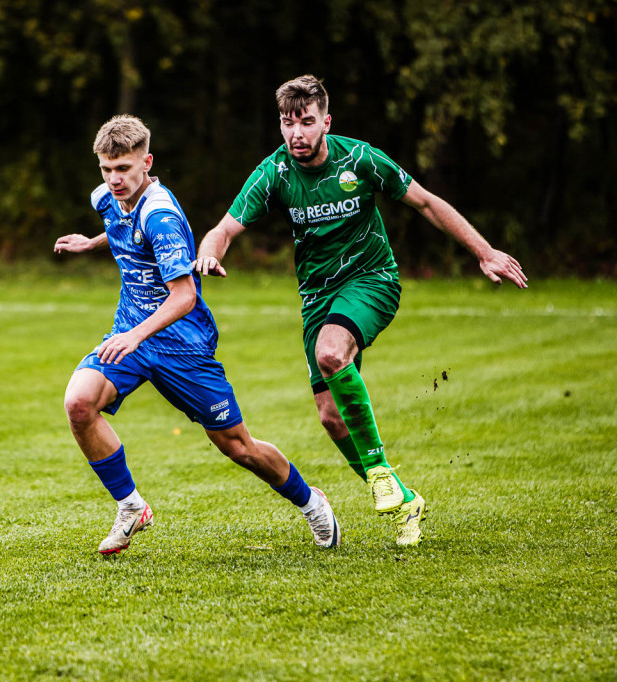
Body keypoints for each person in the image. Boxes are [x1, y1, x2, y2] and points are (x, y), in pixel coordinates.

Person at [194, 75, 527, 546]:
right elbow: (223, 229)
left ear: (326, 122)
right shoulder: (275, 173)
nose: (297, 134)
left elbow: (427, 204)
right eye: (288, 124)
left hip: (372, 281)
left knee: (332, 354)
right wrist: (211, 252)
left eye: (307, 122)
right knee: (331, 417)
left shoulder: (361, 159)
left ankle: (378, 474)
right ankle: (404, 498)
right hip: (317, 299)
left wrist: (484, 251)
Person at [54, 114, 341, 555]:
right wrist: (91, 244)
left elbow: (184, 297)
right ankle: (131, 506)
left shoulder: (162, 216)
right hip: (132, 334)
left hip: (182, 344)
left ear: (146, 162)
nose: (114, 179)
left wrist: (135, 337)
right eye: (107, 170)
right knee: (78, 402)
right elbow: (120, 229)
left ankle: (310, 502)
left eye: (124, 169)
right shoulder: (107, 197)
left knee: (238, 446)